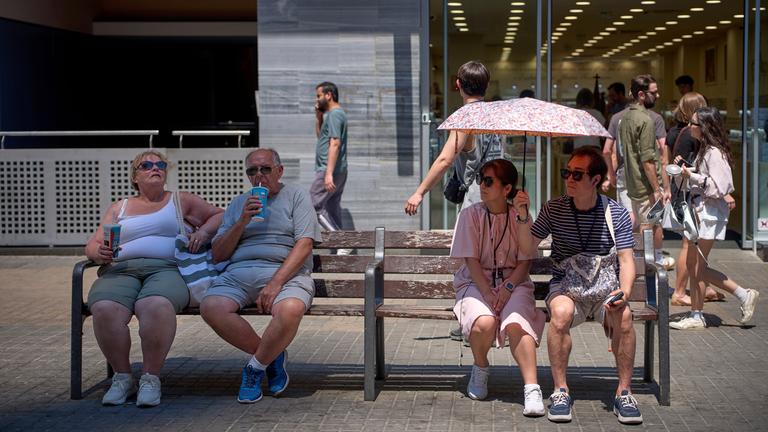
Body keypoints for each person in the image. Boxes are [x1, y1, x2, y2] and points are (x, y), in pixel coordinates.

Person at [85, 150, 224, 407]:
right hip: (121, 269)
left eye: (160, 164)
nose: (155, 168)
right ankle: (123, 377)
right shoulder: (120, 207)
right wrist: (99, 253)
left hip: (167, 268)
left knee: (155, 305)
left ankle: (150, 378)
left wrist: (203, 233)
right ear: (135, 176)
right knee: (105, 308)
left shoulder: (180, 201)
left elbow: (220, 214)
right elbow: (92, 245)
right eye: (146, 165)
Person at [530, 147, 642, 425]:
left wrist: (624, 292)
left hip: (606, 289)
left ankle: (624, 392)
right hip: (567, 287)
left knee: (624, 316)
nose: (569, 178)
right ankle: (560, 391)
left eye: (577, 174)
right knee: (560, 315)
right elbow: (527, 247)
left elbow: (627, 261)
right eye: (566, 172)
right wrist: (522, 215)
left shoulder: (615, 213)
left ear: (595, 180)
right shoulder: (553, 208)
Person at [200, 148, 322, 403]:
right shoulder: (237, 204)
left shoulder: (296, 195)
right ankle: (271, 355)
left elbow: (305, 244)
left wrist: (275, 283)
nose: (259, 176)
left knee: (290, 309)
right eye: (252, 171)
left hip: (286, 273)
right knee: (211, 307)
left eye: (265, 169)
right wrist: (242, 221)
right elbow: (219, 254)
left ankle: (254, 368)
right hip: (239, 274)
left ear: (279, 171)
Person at [403, 60, 502, 341]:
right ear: (486, 85)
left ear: (458, 85)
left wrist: (420, 191)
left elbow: (447, 158)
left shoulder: (465, 118)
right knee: (489, 261)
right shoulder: (496, 117)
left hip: (476, 200)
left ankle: (473, 320)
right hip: (499, 199)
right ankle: (487, 316)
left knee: (469, 263)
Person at [451, 159, 546, 416]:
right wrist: (486, 291)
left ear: (507, 188)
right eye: (482, 179)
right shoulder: (470, 214)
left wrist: (524, 216)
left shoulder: (521, 216)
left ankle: (532, 388)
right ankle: (480, 367)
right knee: (484, 322)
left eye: (490, 181)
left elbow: (527, 257)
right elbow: (470, 260)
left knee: (516, 322)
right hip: (475, 281)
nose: (482, 185)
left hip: (514, 281)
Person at [669, 107, 760, 329]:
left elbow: (720, 186)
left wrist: (691, 175)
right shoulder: (705, 150)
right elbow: (708, 179)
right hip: (702, 212)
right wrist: (687, 169)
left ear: (705, 127)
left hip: (708, 214)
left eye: (693, 123)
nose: (690, 126)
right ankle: (733, 298)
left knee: (697, 266)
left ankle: (703, 312)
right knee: (695, 266)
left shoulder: (713, 152)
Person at [666, 93, 726, 306]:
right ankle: (682, 292)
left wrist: (667, 187)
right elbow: (710, 178)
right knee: (689, 247)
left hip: (681, 190)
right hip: (690, 195)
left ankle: (703, 290)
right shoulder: (694, 137)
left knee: (693, 248)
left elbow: (667, 161)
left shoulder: (673, 131)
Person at [616, 75, 672, 269]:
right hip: (645, 186)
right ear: (641, 94)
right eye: (654, 92)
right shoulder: (645, 121)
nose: (658, 95)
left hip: (634, 184)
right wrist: (657, 189)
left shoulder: (626, 118)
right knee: (648, 232)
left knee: (644, 230)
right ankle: (647, 279)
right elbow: (648, 160)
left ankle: (641, 274)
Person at [312, 81, 348, 231]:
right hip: (335, 170)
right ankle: (343, 246)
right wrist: (319, 117)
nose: (316, 100)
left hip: (329, 170)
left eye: (318, 96)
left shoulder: (335, 115)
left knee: (312, 204)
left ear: (329, 95)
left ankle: (341, 242)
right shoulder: (332, 115)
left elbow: (335, 143)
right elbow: (322, 138)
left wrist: (328, 173)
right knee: (332, 208)